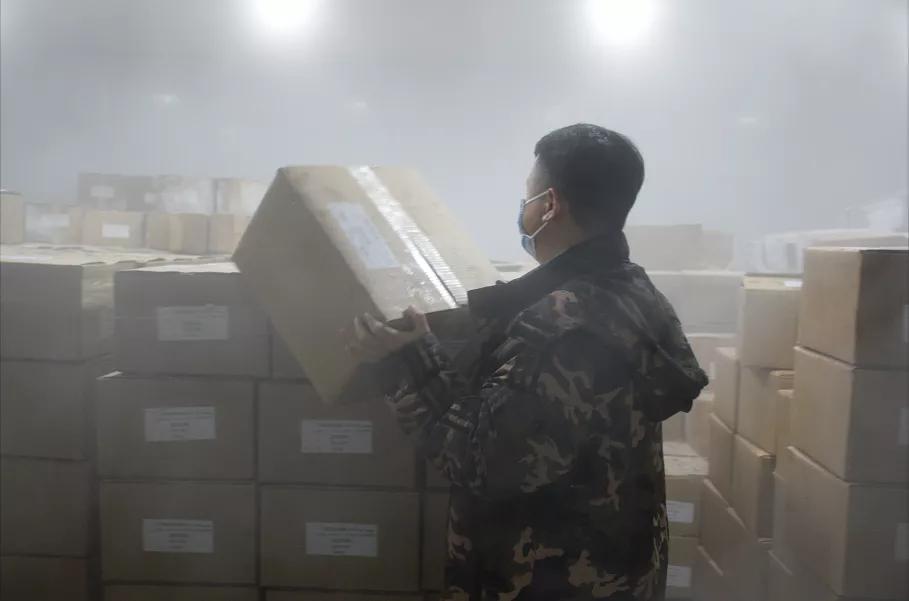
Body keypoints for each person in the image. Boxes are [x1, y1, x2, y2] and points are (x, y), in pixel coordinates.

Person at [350, 123, 708, 601]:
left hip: (550, 580)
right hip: (619, 569)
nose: (524, 209)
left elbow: (482, 461)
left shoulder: (562, 330)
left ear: (550, 204)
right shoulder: (634, 292)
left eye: (529, 196)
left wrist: (407, 361)